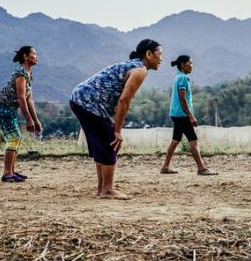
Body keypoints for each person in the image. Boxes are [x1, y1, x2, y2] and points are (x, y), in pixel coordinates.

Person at [70, 39, 162, 199]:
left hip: (80, 99)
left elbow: (120, 99)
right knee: (110, 141)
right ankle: (107, 189)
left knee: (102, 143)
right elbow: (124, 101)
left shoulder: (133, 66)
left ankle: (102, 188)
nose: (161, 59)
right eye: (159, 54)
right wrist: (118, 130)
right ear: (148, 54)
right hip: (88, 102)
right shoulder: (140, 70)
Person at [161, 55, 217, 175]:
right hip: (182, 115)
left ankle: (165, 167)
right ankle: (201, 168)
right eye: (190, 63)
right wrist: (190, 116)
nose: (192, 66)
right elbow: (182, 99)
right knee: (193, 141)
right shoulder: (182, 78)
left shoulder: (178, 77)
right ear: (183, 65)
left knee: (175, 141)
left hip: (176, 114)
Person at [0, 46, 42, 183]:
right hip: (3, 107)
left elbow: (29, 99)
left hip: (10, 109)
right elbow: (21, 97)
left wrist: (35, 120)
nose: (37, 56)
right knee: (13, 137)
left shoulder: (29, 74)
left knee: (16, 138)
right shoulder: (21, 72)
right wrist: (28, 119)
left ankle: (11, 171)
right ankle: (7, 173)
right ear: (26, 57)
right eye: (34, 54)